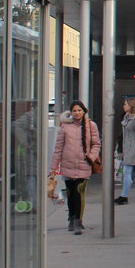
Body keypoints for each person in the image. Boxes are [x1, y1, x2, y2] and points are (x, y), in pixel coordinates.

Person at [50, 100, 100, 235]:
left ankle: (78, 221)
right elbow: (58, 148)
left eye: (79, 110)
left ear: (84, 111)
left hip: (84, 165)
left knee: (79, 193)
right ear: (71, 113)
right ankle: (71, 218)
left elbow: (96, 144)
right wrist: (53, 168)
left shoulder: (91, 125)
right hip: (67, 165)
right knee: (71, 194)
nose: (77, 113)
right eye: (74, 111)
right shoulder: (65, 127)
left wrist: (91, 157)